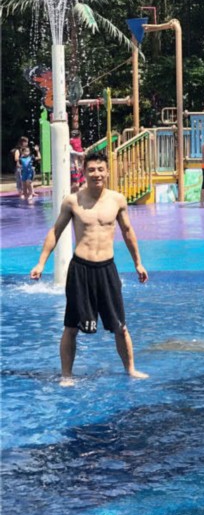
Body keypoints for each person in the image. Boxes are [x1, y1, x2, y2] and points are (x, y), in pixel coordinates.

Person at [30, 151, 149, 384]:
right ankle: (66, 375)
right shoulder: (73, 201)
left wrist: (138, 262)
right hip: (80, 270)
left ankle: (131, 369)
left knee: (120, 326)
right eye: (91, 170)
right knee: (71, 327)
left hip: (107, 269)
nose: (97, 174)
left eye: (100, 169)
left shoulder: (117, 200)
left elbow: (127, 231)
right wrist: (41, 262)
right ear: (84, 172)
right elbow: (55, 231)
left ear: (107, 171)